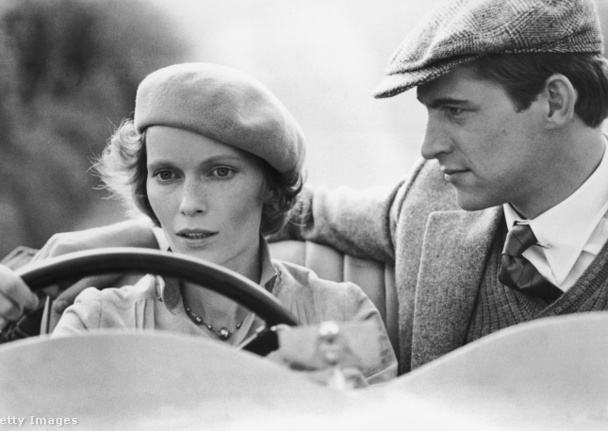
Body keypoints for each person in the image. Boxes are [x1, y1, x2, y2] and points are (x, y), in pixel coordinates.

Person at [2, 0, 607, 375]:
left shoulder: (335, 314)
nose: (428, 147)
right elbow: (292, 205)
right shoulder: (430, 201)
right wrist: (136, 236)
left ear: (555, 101)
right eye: (166, 175)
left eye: (457, 111)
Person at [1, 62, 397, 383]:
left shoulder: (335, 313)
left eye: (220, 172)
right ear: (145, 189)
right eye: (166, 175)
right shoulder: (101, 321)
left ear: (270, 190)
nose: (189, 204)